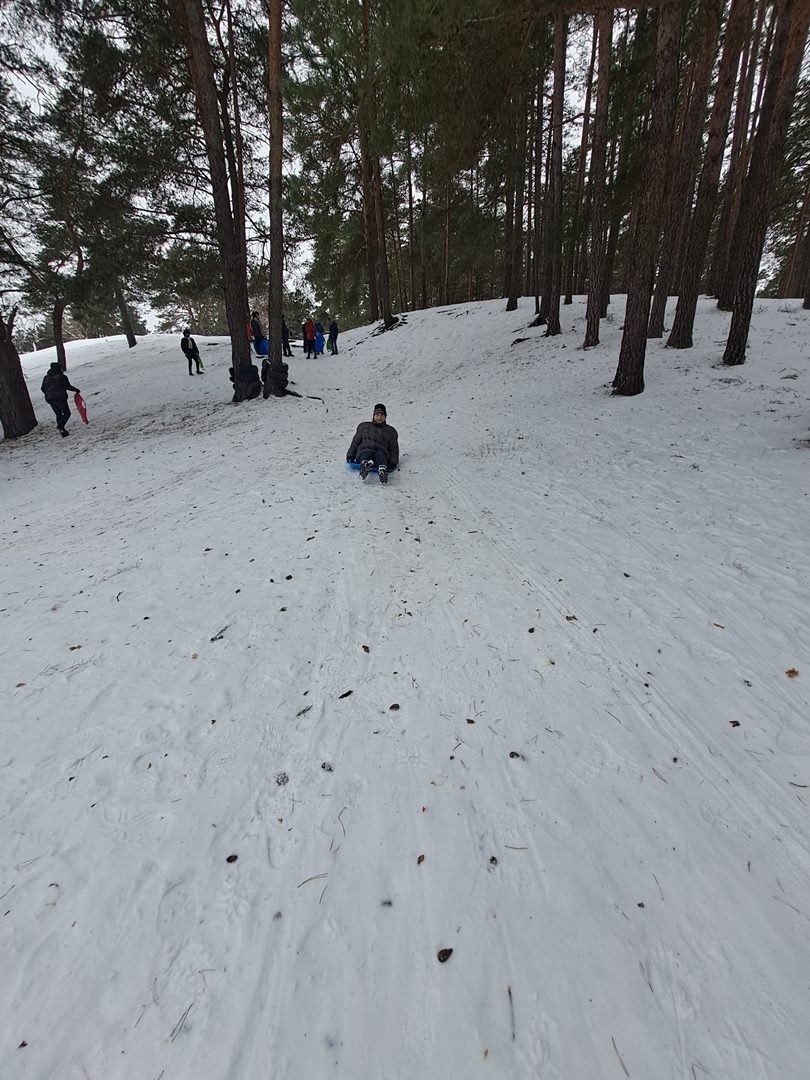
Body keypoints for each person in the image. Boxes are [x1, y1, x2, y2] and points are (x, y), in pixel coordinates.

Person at [346, 403, 399, 484]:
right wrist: (350, 455)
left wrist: (393, 462)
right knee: (367, 453)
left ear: (385, 417)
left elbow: (394, 449)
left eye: (382, 415)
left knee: (380, 455)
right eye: (377, 415)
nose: (379, 417)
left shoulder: (390, 431)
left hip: (381, 451)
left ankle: (382, 470)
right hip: (365, 449)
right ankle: (365, 466)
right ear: (373, 416)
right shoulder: (364, 427)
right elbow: (355, 443)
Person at [41, 362, 80, 437]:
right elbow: (67, 386)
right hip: (60, 398)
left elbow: (42, 388)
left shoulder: (46, 377)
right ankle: (61, 426)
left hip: (50, 398)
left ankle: (62, 431)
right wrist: (76, 390)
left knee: (58, 414)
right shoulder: (62, 377)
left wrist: (48, 393)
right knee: (66, 413)